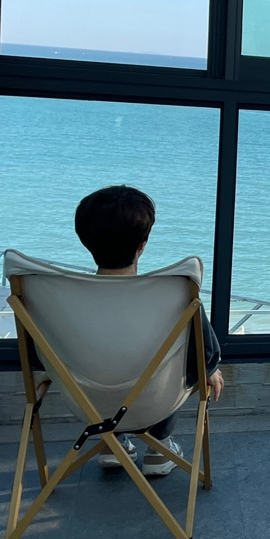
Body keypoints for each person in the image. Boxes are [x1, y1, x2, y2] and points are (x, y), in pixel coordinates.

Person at [72, 185, 224, 477]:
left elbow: (39, 358)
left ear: (84, 239)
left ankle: (111, 442)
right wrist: (210, 369)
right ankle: (160, 447)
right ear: (142, 244)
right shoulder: (174, 295)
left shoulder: (60, 300)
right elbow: (205, 354)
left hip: (87, 401)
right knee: (175, 365)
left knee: (106, 362)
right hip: (155, 403)